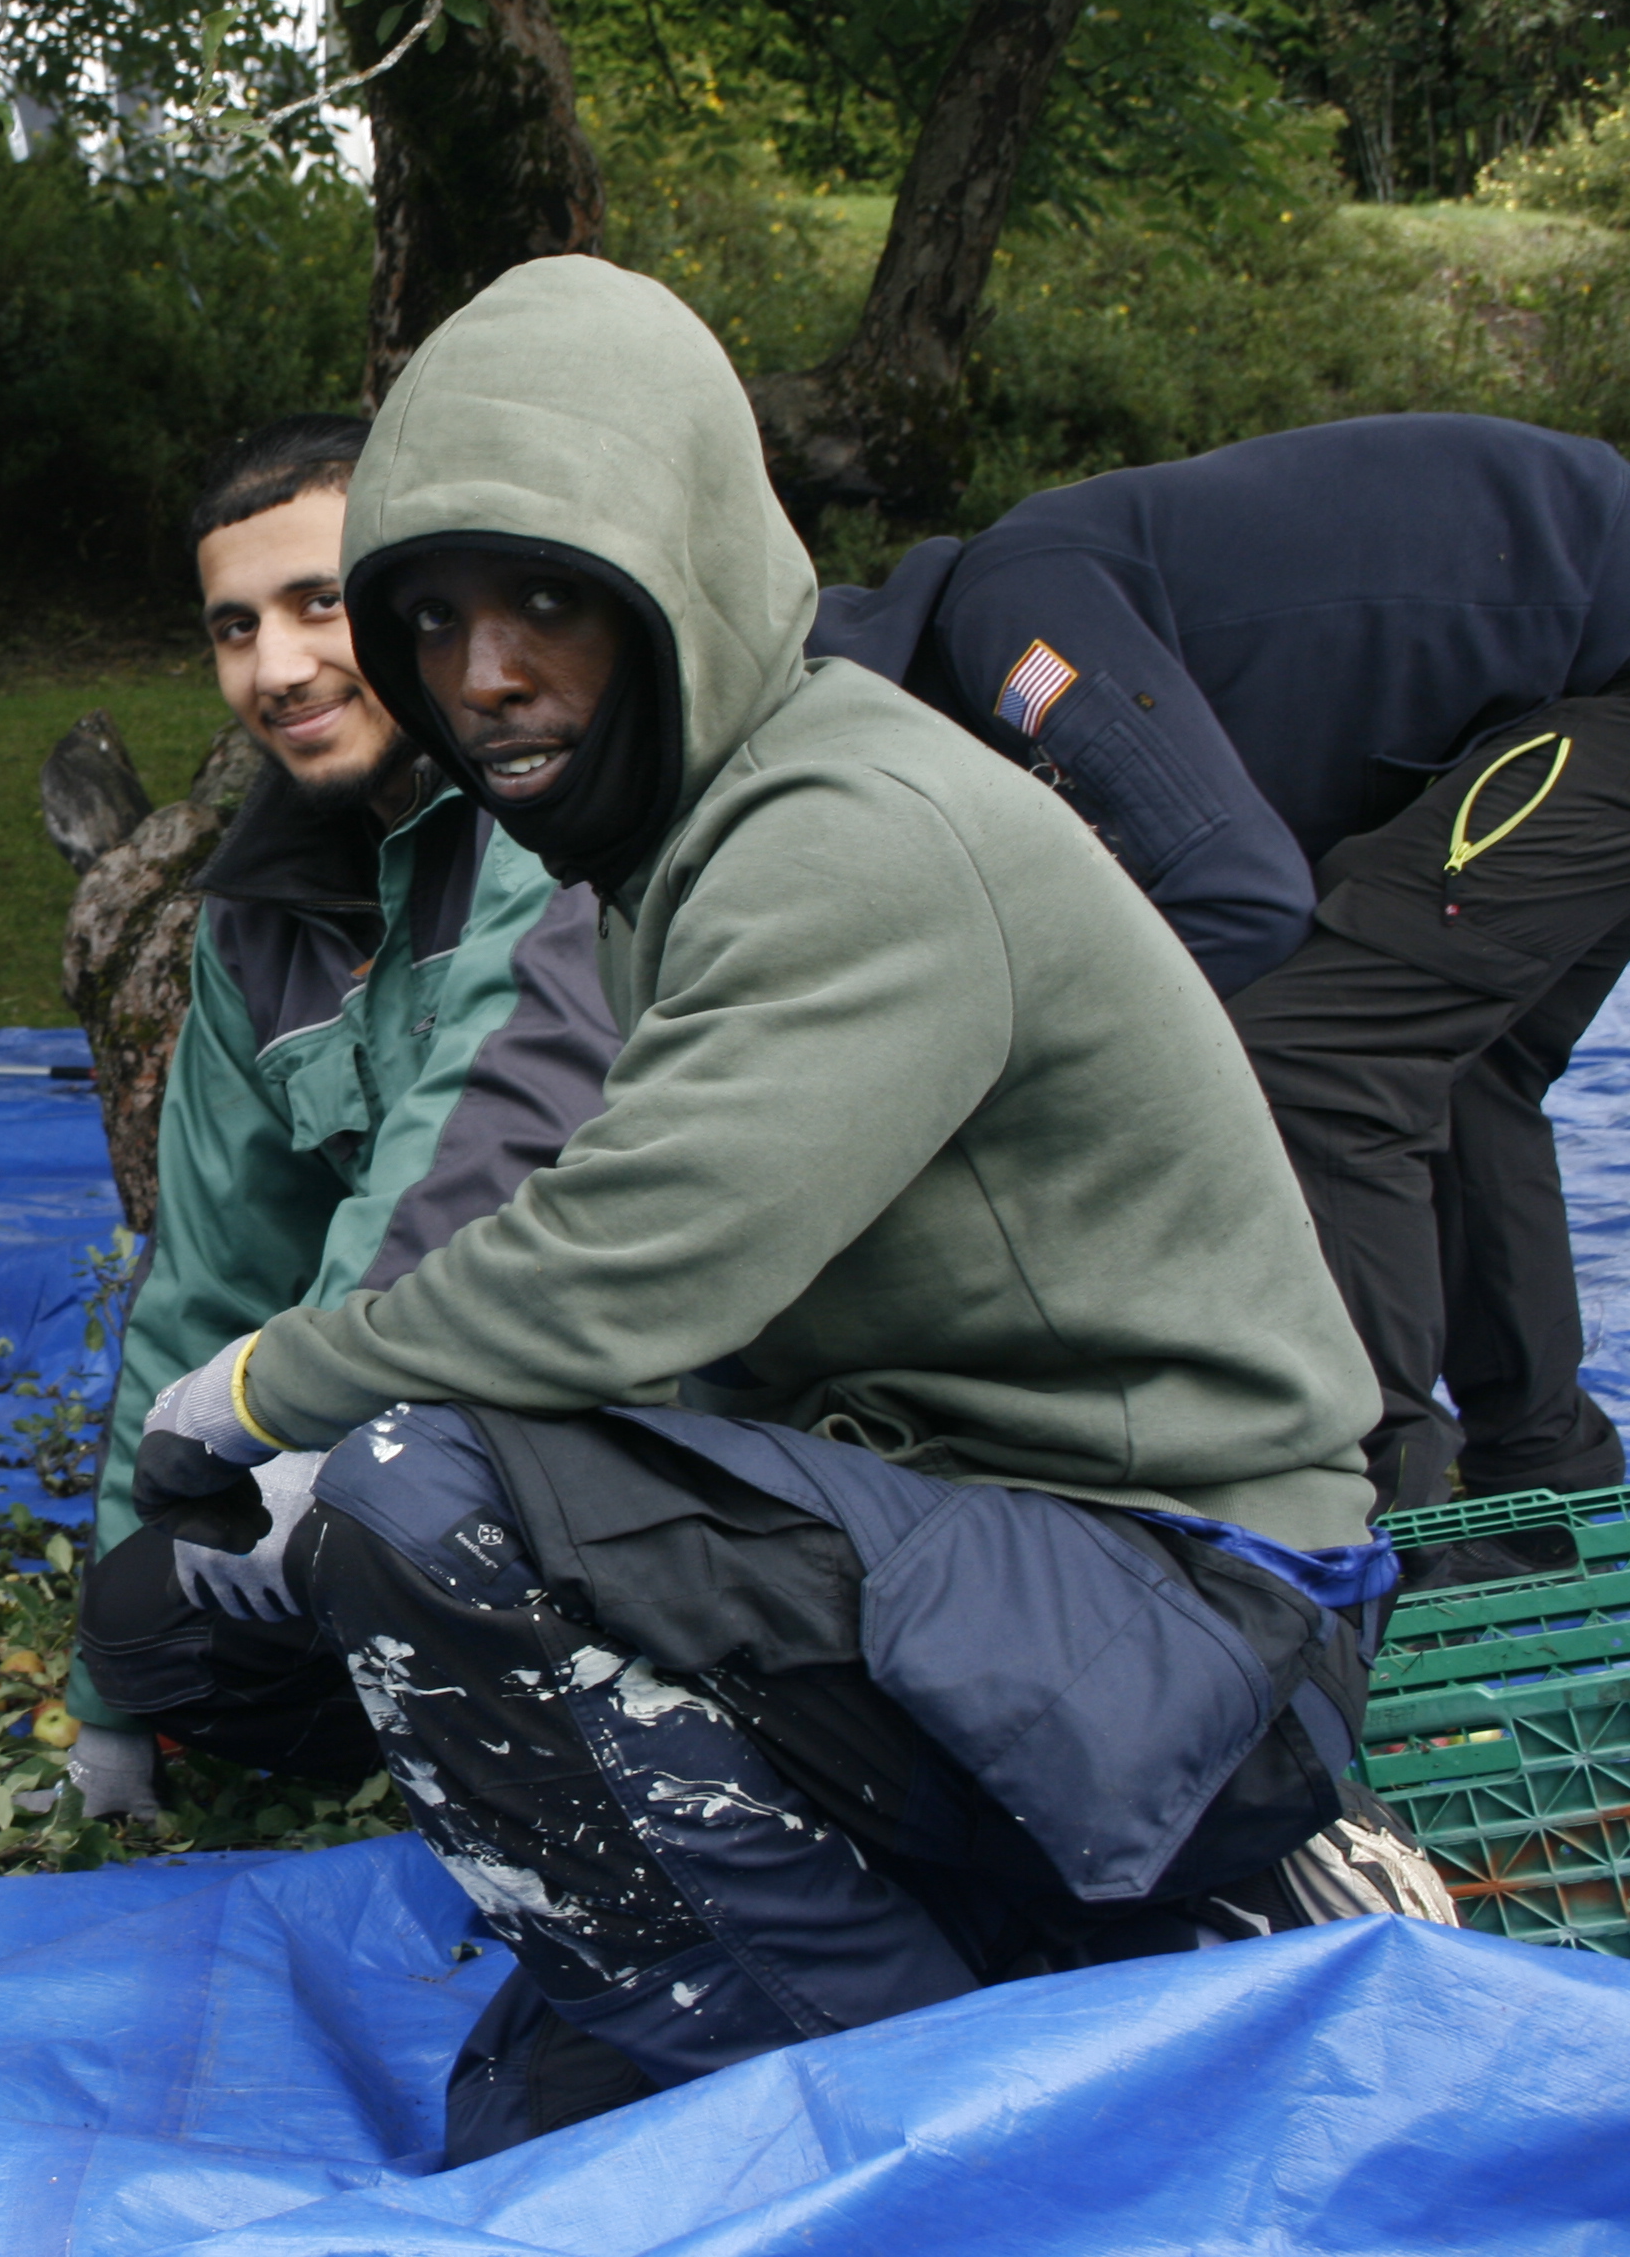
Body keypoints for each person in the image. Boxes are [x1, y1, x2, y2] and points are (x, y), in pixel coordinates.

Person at [128, 258, 1436, 2165]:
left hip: (1190, 1610)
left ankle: (952, 2125)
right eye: (435, 614)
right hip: (972, 1549)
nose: (483, 671)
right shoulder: (679, 840)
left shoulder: (848, 836)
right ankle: (1085, 1938)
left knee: (417, 1488)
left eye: (549, 599)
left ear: (686, 578)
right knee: (531, 2123)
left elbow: (618, 1268)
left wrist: (261, 1397)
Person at [812, 417, 1630, 1515]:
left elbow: (1236, 903)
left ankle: (1372, 1510)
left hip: (1604, 692)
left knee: (1318, 1069)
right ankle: (1547, 1496)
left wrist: (1002, 1106)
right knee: (1452, 1069)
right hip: (1567, 703)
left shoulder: (1011, 619)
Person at [61, 415, 617, 1822]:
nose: (280, 667)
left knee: (375, 1509)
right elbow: (205, 1282)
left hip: (628, 1394)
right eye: (235, 627)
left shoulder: (547, 819)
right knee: (152, 1616)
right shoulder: (253, 930)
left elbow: (464, 1159)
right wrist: (110, 1705)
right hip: (406, 1420)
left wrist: (313, 1425)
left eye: (322, 603)